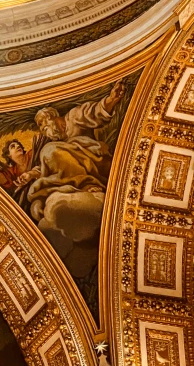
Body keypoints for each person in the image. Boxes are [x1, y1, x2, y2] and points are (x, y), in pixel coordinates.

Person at [23, 81, 126, 268]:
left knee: (50, 149)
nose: (48, 132)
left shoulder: (73, 117)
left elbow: (94, 112)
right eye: (44, 130)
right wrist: (30, 174)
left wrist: (111, 100)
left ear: (52, 117)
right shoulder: (57, 143)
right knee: (50, 153)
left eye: (45, 126)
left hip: (95, 162)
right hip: (72, 168)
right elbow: (49, 166)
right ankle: (58, 198)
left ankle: (87, 185)